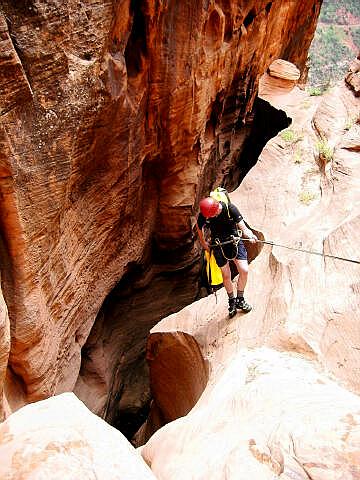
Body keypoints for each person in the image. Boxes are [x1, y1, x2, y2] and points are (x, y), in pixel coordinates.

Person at [196, 196, 258, 317]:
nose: (207, 218)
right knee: (226, 275)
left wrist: (250, 235)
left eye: (210, 216)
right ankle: (232, 301)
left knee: (244, 270)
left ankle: (240, 299)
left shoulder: (230, 209)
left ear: (216, 210)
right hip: (218, 244)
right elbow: (199, 227)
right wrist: (203, 243)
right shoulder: (205, 213)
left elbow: (243, 227)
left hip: (234, 241)